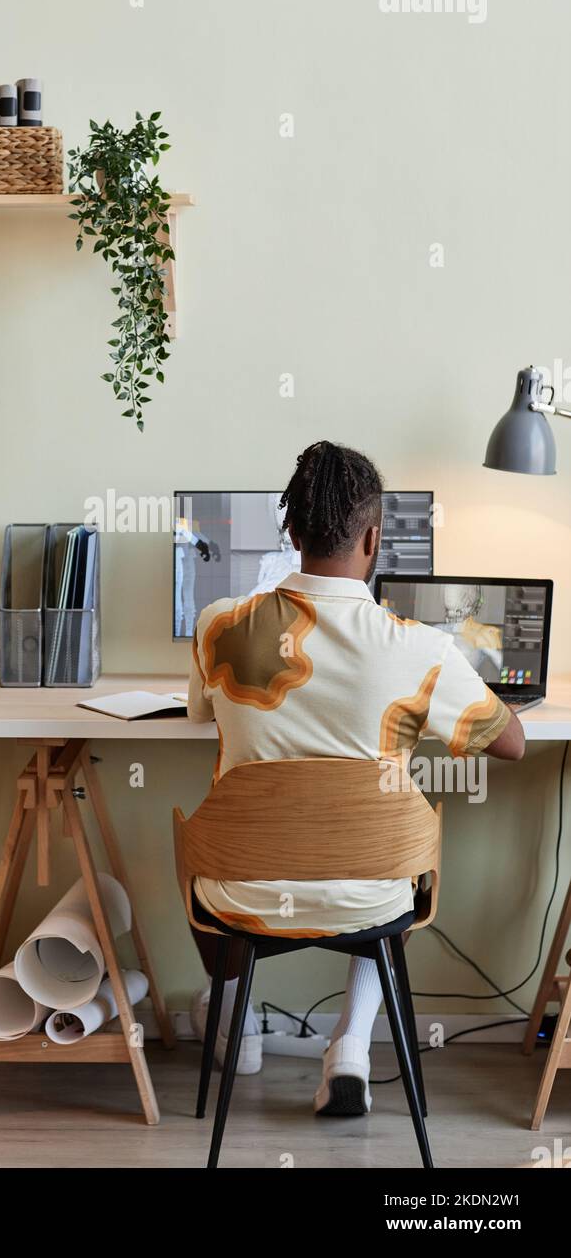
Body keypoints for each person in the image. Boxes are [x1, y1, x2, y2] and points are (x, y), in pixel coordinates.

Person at [186, 440, 524, 1111]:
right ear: (373, 539)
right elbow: (510, 743)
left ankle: (240, 1029)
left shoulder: (218, 624)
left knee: (204, 865)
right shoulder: (420, 648)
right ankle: (349, 1048)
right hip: (369, 900)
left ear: (291, 532)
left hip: (242, 895)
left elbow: (202, 710)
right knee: (388, 859)